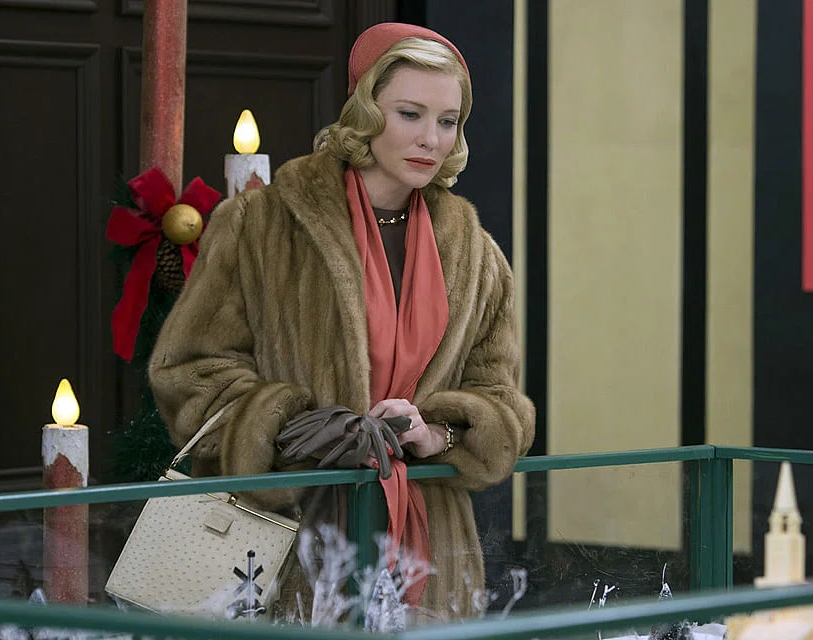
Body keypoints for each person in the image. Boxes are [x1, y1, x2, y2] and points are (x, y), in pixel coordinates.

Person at [148, 22, 535, 622]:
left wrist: (436, 433)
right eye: (409, 114)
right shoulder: (260, 224)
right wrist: (294, 427)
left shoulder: (477, 256)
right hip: (284, 544)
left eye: (447, 121)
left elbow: (503, 402)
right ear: (366, 112)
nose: (430, 139)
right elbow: (188, 370)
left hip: (429, 555)